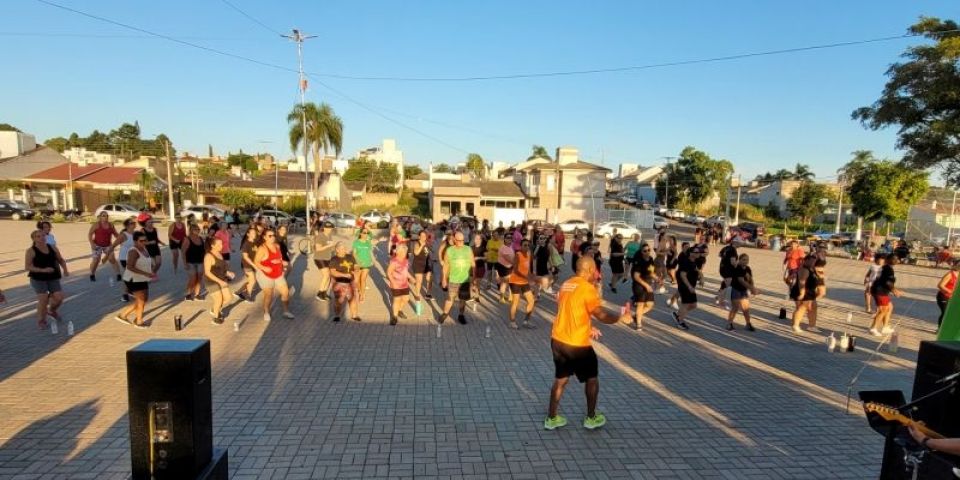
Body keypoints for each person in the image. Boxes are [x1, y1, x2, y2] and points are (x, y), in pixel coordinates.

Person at [543, 256, 633, 431]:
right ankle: (591, 418)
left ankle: (551, 418)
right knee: (592, 379)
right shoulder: (587, 288)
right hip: (578, 345)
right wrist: (620, 318)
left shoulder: (566, 284)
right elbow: (600, 314)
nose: (597, 274)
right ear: (591, 269)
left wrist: (588, 327)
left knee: (561, 380)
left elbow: (572, 310)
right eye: (596, 270)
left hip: (558, 340)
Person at [26, 229, 68, 331]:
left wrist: (65, 270)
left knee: (59, 298)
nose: (41, 238)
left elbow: (60, 259)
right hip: (38, 278)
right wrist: (43, 270)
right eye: (38, 236)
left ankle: (52, 311)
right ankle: (41, 320)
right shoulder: (31, 251)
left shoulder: (52, 247)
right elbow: (28, 267)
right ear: (34, 239)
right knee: (43, 299)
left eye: (43, 236)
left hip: (52, 277)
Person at [253, 228, 294, 322]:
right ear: (264, 237)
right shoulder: (262, 248)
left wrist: (282, 262)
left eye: (273, 235)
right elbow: (256, 262)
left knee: (285, 292)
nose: (272, 237)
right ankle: (266, 312)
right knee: (269, 295)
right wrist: (264, 268)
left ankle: (286, 311)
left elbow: (278, 258)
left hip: (277, 273)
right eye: (269, 236)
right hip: (265, 274)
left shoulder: (277, 246)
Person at [116, 231, 155, 329]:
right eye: (141, 241)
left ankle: (123, 315)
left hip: (142, 278)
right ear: (135, 241)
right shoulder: (133, 251)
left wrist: (151, 268)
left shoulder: (144, 249)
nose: (144, 242)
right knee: (141, 300)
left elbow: (145, 261)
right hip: (132, 279)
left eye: (145, 240)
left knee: (143, 299)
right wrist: (146, 273)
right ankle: (139, 321)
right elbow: (129, 267)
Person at [439, 231, 474, 325]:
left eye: (463, 240)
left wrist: (473, 279)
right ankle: (445, 314)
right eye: (459, 241)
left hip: (465, 280)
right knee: (450, 298)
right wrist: (443, 279)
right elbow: (446, 265)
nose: (461, 243)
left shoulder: (468, 249)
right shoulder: (450, 250)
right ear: (454, 239)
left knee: (463, 299)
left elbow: (473, 264)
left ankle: (461, 315)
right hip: (453, 279)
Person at [203, 234, 233, 324]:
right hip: (211, 281)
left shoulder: (219, 254)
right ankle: (216, 318)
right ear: (212, 245)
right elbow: (207, 272)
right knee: (218, 299)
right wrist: (220, 281)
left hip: (222, 279)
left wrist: (228, 272)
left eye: (221, 244)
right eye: (219, 245)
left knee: (228, 298)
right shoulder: (208, 256)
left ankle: (215, 309)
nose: (221, 246)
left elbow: (222, 267)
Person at [507, 238, 536, 329]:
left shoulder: (529, 254)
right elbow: (515, 270)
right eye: (525, 245)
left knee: (531, 301)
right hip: (515, 281)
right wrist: (526, 277)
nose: (527, 247)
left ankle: (526, 321)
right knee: (516, 302)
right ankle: (512, 322)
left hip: (524, 281)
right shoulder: (518, 255)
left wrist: (532, 277)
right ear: (520, 246)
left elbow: (528, 269)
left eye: (528, 245)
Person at [869, 253, 900, 336]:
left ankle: (885, 327)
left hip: (881, 290)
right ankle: (873, 328)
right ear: (889, 260)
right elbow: (888, 282)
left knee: (890, 307)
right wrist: (894, 290)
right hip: (880, 291)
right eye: (895, 259)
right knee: (883, 310)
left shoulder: (886, 268)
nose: (897, 261)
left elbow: (887, 281)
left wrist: (893, 289)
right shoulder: (888, 269)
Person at [387, 243, 418, 325]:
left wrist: (411, 278)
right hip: (396, 284)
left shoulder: (406, 260)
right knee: (397, 300)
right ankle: (394, 317)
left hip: (405, 284)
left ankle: (399, 310)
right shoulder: (394, 261)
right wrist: (393, 283)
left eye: (406, 251)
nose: (406, 253)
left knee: (406, 299)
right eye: (404, 252)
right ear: (399, 252)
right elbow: (389, 273)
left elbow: (405, 272)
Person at [672, 246, 702, 330]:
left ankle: (678, 315)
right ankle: (680, 322)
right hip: (685, 287)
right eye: (696, 252)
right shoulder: (686, 262)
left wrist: (701, 277)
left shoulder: (693, 261)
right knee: (686, 304)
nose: (698, 253)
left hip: (690, 287)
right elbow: (682, 275)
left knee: (693, 305)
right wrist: (689, 286)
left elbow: (696, 269)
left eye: (698, 252)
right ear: (691, 253)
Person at [329, 242, 360, 322]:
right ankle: (337, 315)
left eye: (345, 248)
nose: (344, 250)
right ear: (337, 250)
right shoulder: (334, 259)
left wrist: (356, 270)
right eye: (342, 249)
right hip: (339, 283)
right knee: (339, 301)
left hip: (350, 282)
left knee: (352, 299)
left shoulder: (350, 257)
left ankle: (354, 315)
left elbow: (356, 266)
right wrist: (345, 275)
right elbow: (332, 272)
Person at [630, 241, 657, 331]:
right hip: (639, 285)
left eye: (649, 250)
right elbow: (636, 276)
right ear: (641, 252)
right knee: (640, 305)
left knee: (650, 304)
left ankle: (636, 315)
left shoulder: (650, 259)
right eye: (645, 251)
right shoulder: (639, 261)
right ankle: (638, 324)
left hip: (648, 284)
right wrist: (646, 285)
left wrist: (658, 279)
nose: (647, 252)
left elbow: (651, 272)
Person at [728, 253, 758, 331]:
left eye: (747, 260)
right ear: (739, 260)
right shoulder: (737, 268)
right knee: (735, 308)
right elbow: (741, 281)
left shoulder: (748, 268)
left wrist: (752, 287)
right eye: (744, 260)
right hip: (735, 289)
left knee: (746, 308)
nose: (746, 261)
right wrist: (752, 289)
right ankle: (729, 324)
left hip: (743, 290)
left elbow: (750, 279)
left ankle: (748, 324)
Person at [790, 255, 820, 334]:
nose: (812, 262)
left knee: (813, 307)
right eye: (811, 261)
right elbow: (801, 282)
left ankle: (811, 326)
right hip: (803, 291)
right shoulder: (804, 269)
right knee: (802, 308)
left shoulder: (812, 268)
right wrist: (802, 293)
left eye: (814, 261)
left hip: (810, 291)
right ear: (805, 260)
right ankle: (795, 325)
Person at [88, 211, 120, 283]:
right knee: (96, 260)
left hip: (108, 245)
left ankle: (118, 275)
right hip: (97, 245)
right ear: (100, 217)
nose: (105, 217)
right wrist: (92, 244)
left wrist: (121, 239)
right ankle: (92, 274)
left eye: (106, 216)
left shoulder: (111, 225)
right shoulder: (96, 225)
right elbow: (90, 234)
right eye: (103, 216)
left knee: (112, 259)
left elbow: (115, 234)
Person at [111, 218, 138, 302]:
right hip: (124, 258)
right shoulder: (123, 235)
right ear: (127, 225)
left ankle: (129, 291)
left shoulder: (136, 234)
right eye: (131, 223)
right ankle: (124, 295)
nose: (134, 224)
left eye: (134, 222)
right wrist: (107, 255)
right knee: (129, 275)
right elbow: (113, 245)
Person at [313, 221, 336, 302]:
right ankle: (319, 294)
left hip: (328, 258)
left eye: (330, 228)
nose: (329, 229)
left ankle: (324, 293)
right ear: (324, 228)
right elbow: (318, 249)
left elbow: (331, 248)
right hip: (319, 258)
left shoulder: (329, 235)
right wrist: (328, 246)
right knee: (326, 275)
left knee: (329, 276)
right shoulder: (320, 236)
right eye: (327, 228)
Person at [183, 224, 206, 301]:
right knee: (193, 279)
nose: (197, 230)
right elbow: (183, 252)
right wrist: (185, 263)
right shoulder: (187, 239)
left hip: (200, 261)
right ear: (191, 230)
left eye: (198, 229)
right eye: (195, 229)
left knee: (199, 278)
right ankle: (188, 293)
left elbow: (204, 251)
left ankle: (197, 294)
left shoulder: (200, 239)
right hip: (190, 262)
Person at [235, 227, 259, 302]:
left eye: (255, 233)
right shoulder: (246, 244)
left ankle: (238, 292)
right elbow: (245, 257)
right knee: (253, 280)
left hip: (254, 265)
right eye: (252, 233)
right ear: (248, 234)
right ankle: (248, 296)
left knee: (250, 280)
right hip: (247, 265)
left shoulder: (255, 243)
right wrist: (254, 265)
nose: (254, 234)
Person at [715, 239, 739, 309]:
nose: (741, 244)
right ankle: (721, 302)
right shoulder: (733, 250)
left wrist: (725, 259)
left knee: (726, 285)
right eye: (739, 242)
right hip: (728, 270)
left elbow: (719, 255)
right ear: (735, 242)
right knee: (729, 287)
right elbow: (733, 262)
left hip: (722, 268)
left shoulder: (726, 247)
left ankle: (718, 297)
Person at [411, 230, 433, 301]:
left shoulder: (427, 243)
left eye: (425, 236)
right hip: (418, 264)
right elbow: (416, 253)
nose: (424, 237)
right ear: (419, 236)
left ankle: (428, 294)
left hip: (426, 264)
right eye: (422, 236)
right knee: (419, 281)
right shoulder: (417, 243)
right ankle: (417, 295)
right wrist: (422, 246)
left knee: (429, 279)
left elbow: (430, 251)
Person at [936, 261, 959, 328]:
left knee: (951, 314)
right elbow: (940, 285)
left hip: (953, 297)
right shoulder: (950, 274)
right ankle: (940, 328)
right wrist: (950, 291)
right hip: (943, 296)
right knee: (945, 313)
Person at [496, 237, 515, 303]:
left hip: (509, 267)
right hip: (504, 267)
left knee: (510, 282)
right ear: (505, 239)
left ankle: (510, 296)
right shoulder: (503, 247)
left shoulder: (510, 246)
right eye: (507, 238)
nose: (509, 239)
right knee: (504, 283)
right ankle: (501, 298)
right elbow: (508, 258)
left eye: (510, 238)